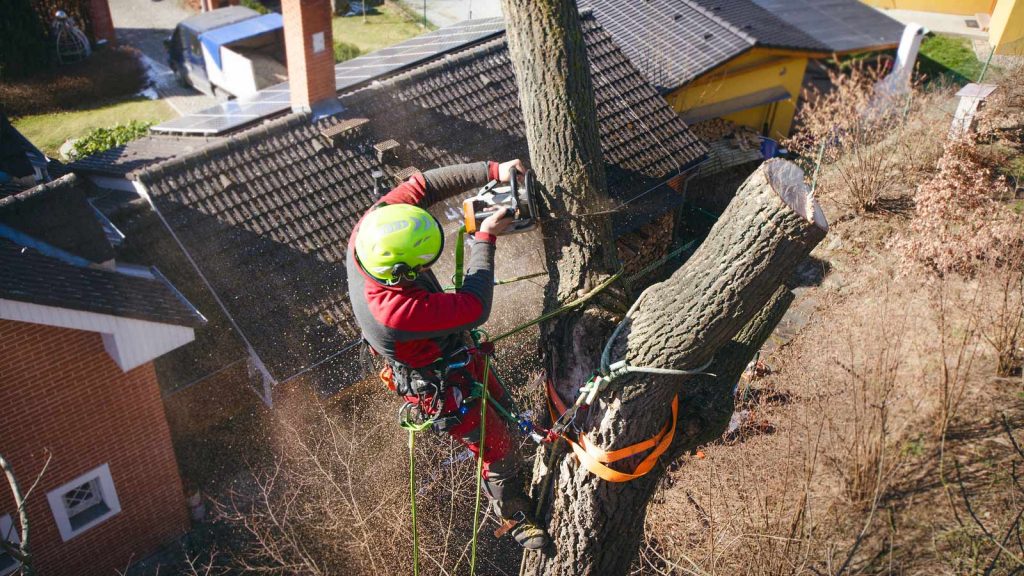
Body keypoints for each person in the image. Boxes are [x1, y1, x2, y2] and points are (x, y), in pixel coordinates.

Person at [346, 159, 550, 550]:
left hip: (456, 350)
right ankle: (515, 517)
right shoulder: (395, 313)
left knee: (503, 407)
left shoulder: (374, 228)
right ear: (401, 272)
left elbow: (423, 184)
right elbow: (475, 305)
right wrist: (484, 239)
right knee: (496, 446)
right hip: (440, 382)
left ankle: (521, 447)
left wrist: (493, 170)